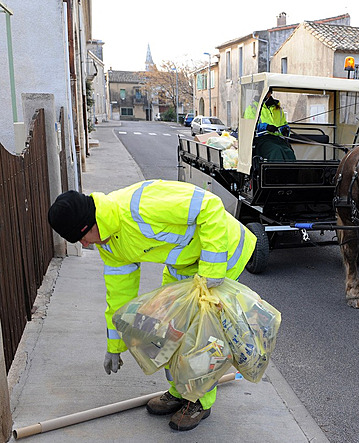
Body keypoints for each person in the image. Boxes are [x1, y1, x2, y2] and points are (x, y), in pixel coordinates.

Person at [47, 179, 257, 432]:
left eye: (82, 237)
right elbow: (120, 298)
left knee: (202, 338)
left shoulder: (140, 206)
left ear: (91, 223)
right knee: (166, 330)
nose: (85, 245)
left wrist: (213, 269)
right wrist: (115, 346)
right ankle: (179, 391)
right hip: (185, 266)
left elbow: (209, 206)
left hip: (221, 256)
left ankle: (199, 402)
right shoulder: (110, 244)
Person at [253, 90, 296, 161]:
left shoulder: (278, 109)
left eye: (268, 92)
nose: (267, 94)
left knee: (289, 153)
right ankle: (275, 172)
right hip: (262, 140)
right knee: (276, 151)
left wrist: (285, 129)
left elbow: (284, 124)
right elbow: (249, 127)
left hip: (278, 139)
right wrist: (266, 127)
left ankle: (291, 172)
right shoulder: (253, 108)